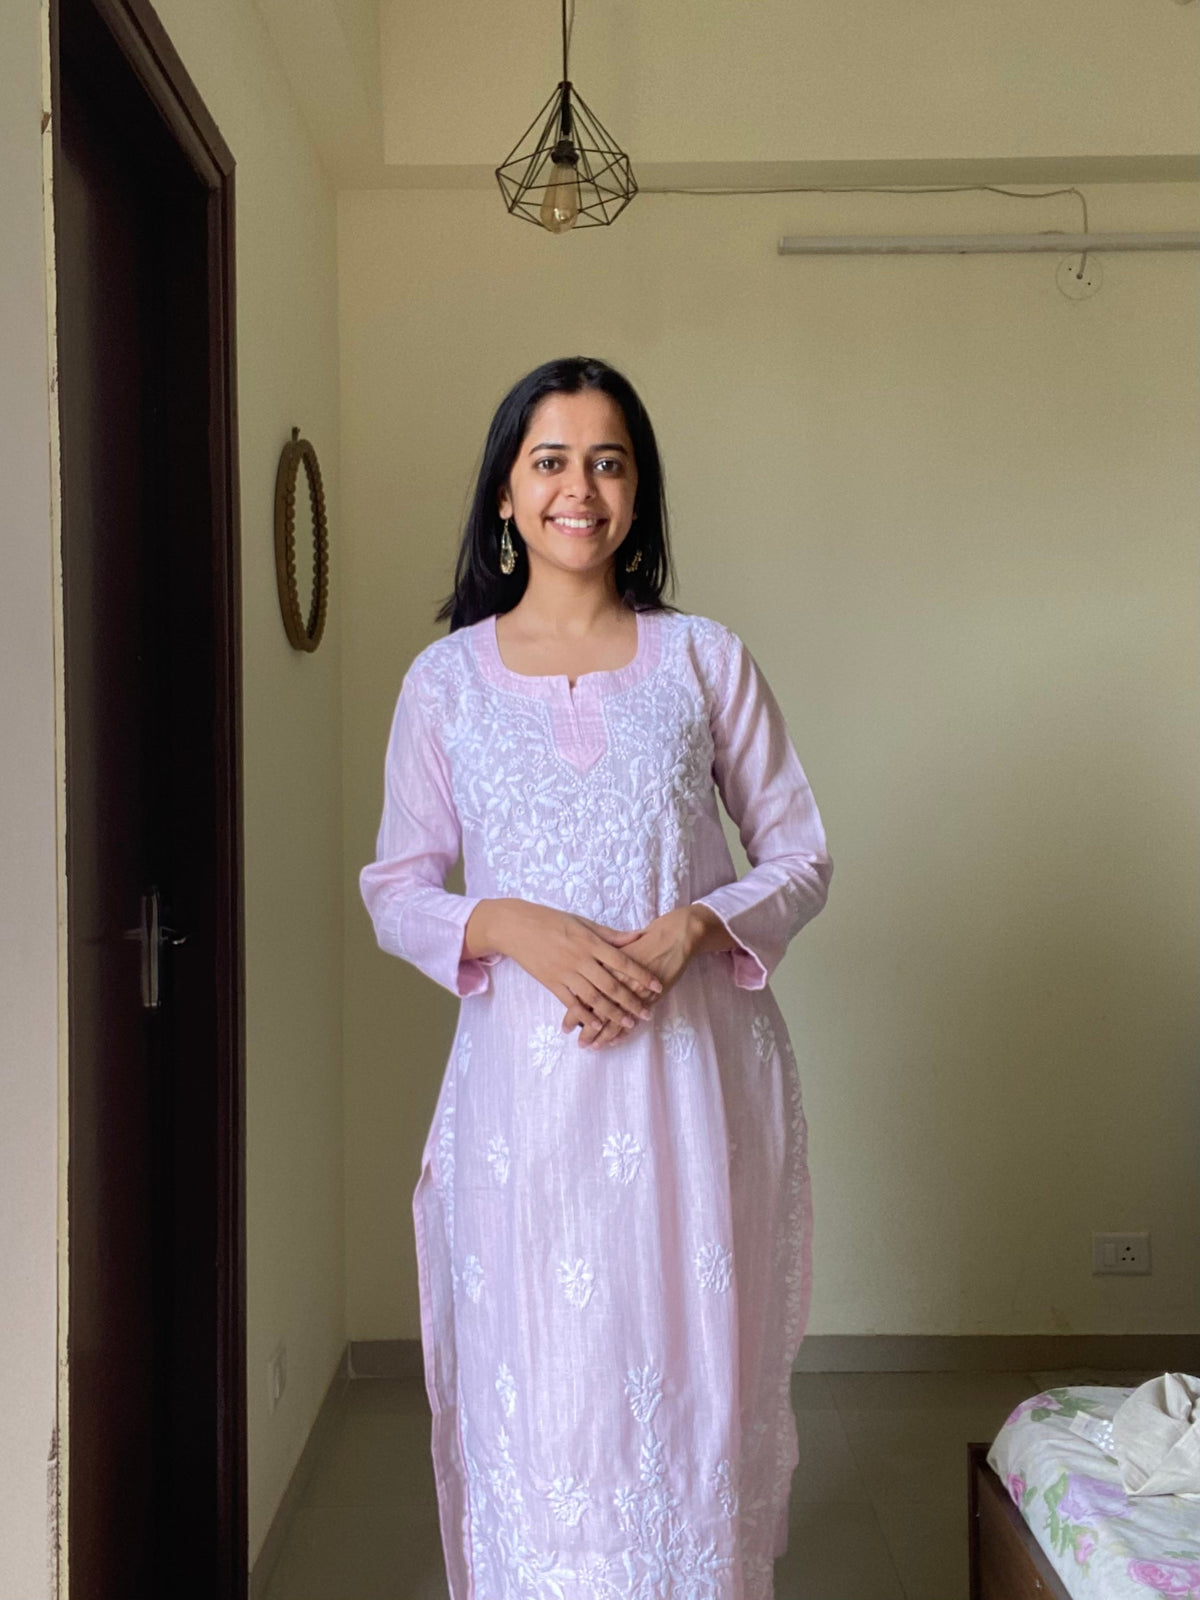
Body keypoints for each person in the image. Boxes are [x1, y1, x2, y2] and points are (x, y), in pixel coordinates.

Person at [359, 356, 833, 1600]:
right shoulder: (445, 683)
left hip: (688, 1096)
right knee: (544, 1385)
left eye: (608, 460)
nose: (581, 487)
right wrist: (509, 921)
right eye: (551, 460)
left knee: (687, 1382)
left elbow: (798, 852)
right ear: (507, 496)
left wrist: (691, 925)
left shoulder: (701, 661)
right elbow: (397, 887)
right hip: (527, 1111)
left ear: (640, 491)